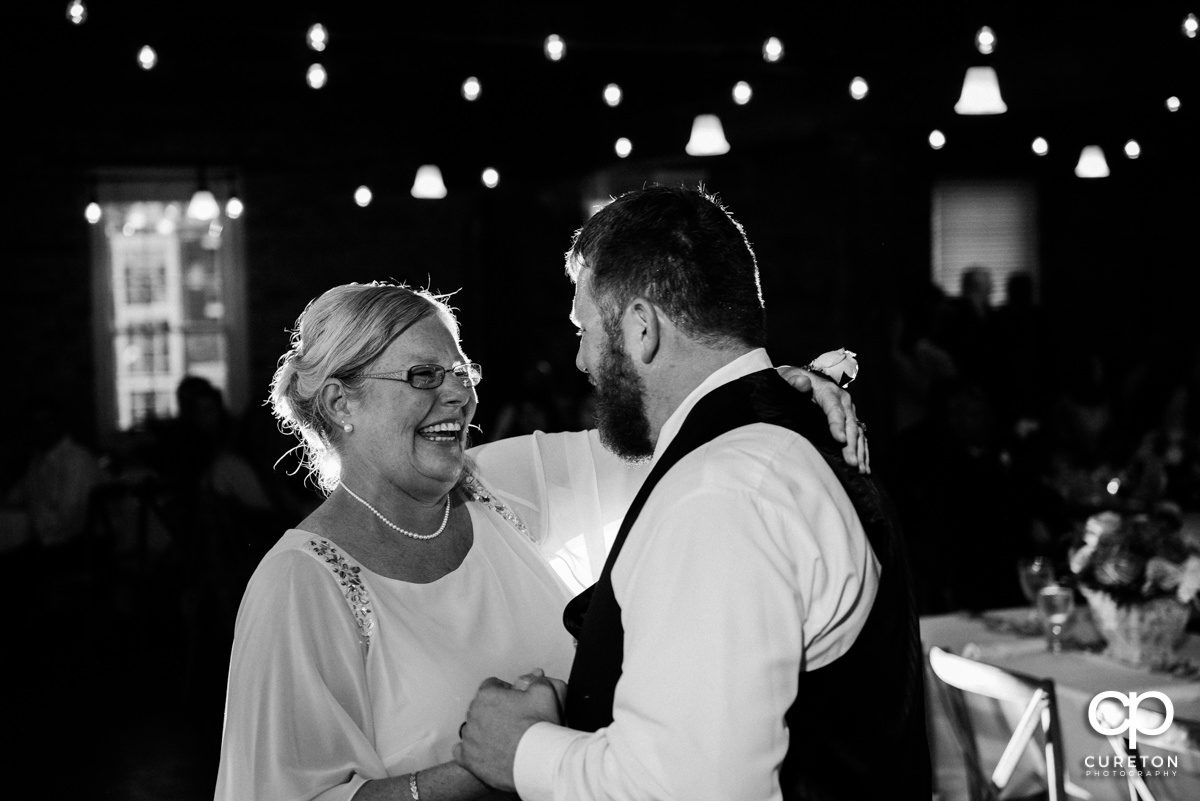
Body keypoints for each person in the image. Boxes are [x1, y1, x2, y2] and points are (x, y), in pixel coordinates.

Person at [214, 280, 866, 800]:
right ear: (340, 402)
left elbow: (672, 446)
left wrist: (777, 389)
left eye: (461, 373)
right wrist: (488, 763)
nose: (455, 396)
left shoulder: (498, 484)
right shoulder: (300, 583)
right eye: (423, 376)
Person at [456, 185, 928, 800]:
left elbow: (697, 788)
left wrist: (523, 751)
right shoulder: (779, 432)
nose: (580, 360)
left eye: (584, 329)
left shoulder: (722, 494)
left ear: (641, 327)